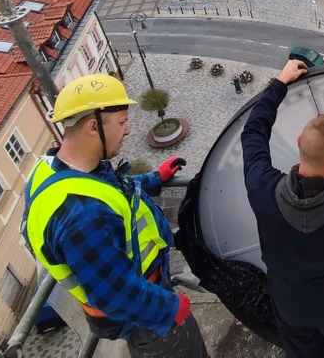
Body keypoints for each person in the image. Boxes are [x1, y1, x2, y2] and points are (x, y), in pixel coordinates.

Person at [21, 75, 208, 357]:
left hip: (142, 294)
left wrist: (155, 178)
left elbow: (112, 192)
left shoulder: (53, 169)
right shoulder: (81, 216)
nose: (129, 130)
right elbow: (115, 294)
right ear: (94, 126)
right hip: (143, 314)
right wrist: (170, 308)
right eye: (122, 122)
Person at [243, 60, 324, 358]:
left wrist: (279, 83)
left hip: (289, 299)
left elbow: (253, 133)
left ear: (299, 142)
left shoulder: (263, 190)